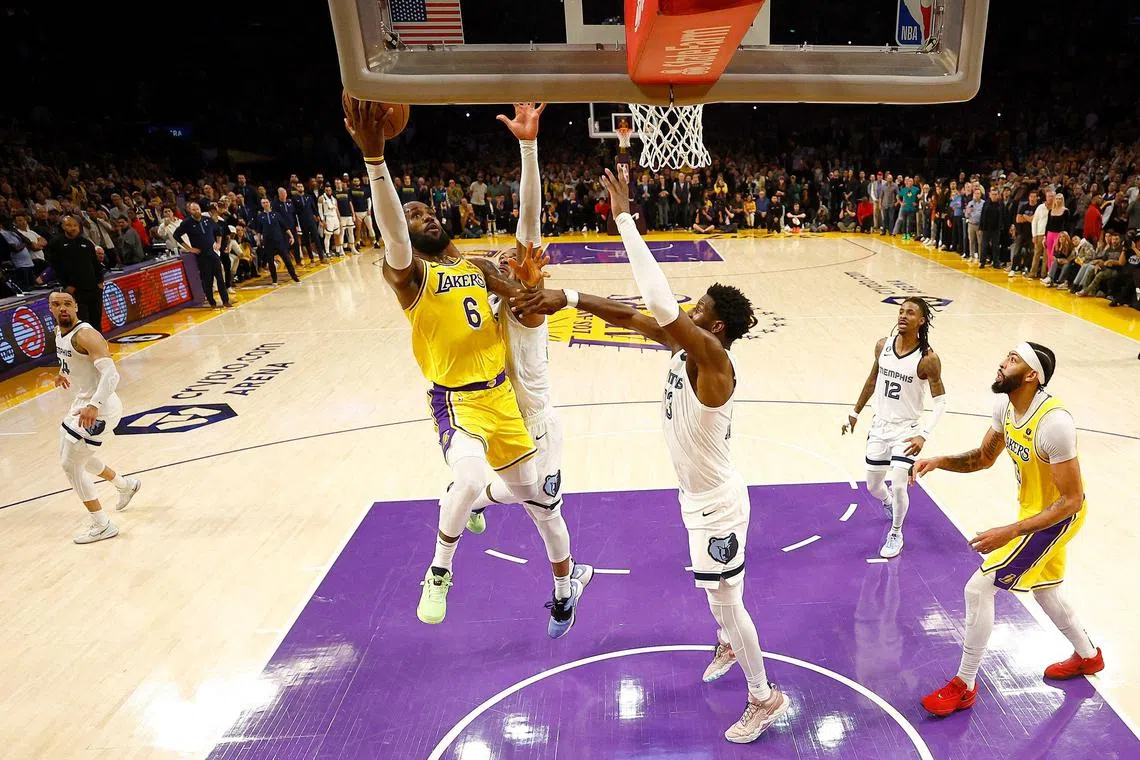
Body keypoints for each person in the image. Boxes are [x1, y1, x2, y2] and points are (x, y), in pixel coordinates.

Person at [513, 163, 791, 745]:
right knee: (720, 596)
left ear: (715, 326)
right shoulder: (685, 347)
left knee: (728, 601)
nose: (688, 309)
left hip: (717, 505)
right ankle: (727, 642)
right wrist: (566, 297)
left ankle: (764, 697)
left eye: (699, 308)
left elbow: (661, 306)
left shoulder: (714, 361)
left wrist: (624, 221)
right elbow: (628, 315)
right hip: (697, 498)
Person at [343, 95, 587, 632]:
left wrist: (531, 281)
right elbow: (396, 237)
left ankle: (559, 574)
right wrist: (375, 160)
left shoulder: (492, 278)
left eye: (427, 210)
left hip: (514, 405)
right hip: (461, 399)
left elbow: (526, 241)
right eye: (415, 215)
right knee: (474, 478)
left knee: (537, 499)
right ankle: (440, 570)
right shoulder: (420, 275)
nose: (425, 216)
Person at [460, 103, 593, 639]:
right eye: (504, 262)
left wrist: (529, 147)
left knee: (545, 512)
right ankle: (481, 497)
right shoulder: (488, 304)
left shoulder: (531, 307)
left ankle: (565, 589)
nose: (511, 260)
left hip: (537, 429)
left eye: (517, 260)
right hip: (497, 420)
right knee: (531, 502)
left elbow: (529, 222)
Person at [914, 343, 1102, 716]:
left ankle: (964, 685)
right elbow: (984, 457)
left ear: (1032, 375)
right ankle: (1088, 656)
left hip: (1059, 515)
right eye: (1005, 356)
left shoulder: (1054, 423)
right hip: (1034, 511)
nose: (1002, 363)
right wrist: (939, 461)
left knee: (979, 588)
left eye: (1013, 360)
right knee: (1046, 592)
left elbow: (1071, 500)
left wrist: (1012, 531)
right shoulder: (1005, 406)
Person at [842, 298, 946, 557]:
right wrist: (855, 412)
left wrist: (923, 435)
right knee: (873, 486)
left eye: (910, 313)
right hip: (880, 427)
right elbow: (872, 380)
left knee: (899, 483)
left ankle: (896, 533)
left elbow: (941, 402)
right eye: (901, 311)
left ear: (921, 321)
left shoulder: (928, 359)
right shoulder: (883, 346)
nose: (903, 316)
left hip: (907, 431)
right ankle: (888, 502)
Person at [49, 291, 142, 544]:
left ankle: (103, 525)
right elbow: (71, 358)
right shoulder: (60, 332)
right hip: (83, 403)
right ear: (51, 309)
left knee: (70, 464)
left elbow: (111, 375)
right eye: (56, 304)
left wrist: (94, 405)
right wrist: (62, 372)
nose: (62, 308)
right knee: (77, 455)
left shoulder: (86, 335)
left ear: (76, 306)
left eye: (67, 304)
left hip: (101, 407)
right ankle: (125, 485)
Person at [46, 214, 105, 326]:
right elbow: (55, 267)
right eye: (68, 225)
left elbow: (95, 264)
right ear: (63, 226)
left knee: (96, 320)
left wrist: (100, 282)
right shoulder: (56, 243)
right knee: (82, 322)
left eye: (75, 225)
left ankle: (98, 337)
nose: (72, 228)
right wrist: (66, 284)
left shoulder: (87, 243)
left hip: (93, 288)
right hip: (74, 290)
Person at [173, 202, 229, 308]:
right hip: (201, 255)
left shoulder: (207, 219)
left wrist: (219, 243)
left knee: (220, 277)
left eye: (197, 209)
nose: (196, 211)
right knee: (207, 279)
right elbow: (176, 235)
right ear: (190, 211)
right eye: (193, 210)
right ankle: (212, 302)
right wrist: (190, 249)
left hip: (212, 252)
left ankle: (225, 300)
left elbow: (218, 231)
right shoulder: (187, 223)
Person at [254, 198, 300, 286]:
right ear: (262, 205)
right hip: (268, 242)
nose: (265, 204)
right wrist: (259, 240)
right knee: (270, 262)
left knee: (287, 260)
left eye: (267, 202)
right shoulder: (260, 217)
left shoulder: (276, 214)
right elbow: (259, 230)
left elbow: (285, 227)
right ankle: (274, 280)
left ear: (269, 203)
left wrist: (291, 236)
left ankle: (294, 277)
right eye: (263, 203)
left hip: (279, 241)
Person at [318, 185, 342, 256]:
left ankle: (338, 251)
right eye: (326, 190)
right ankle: (327, 252)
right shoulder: (321, 198)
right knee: (328, 236)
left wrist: (339, 220)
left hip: (335, 218)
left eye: (329, 190)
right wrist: (322, 220)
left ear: (331, 191)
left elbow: (337, 210)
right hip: (327, 218)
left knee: (337, 234)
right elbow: (320, 211)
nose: (328, 191)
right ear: (324, 190)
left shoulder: (334, 199)